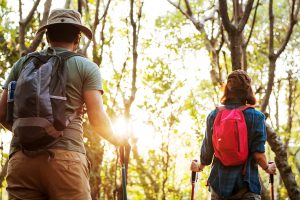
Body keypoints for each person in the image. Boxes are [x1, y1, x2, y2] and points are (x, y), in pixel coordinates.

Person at [0, 9, 126, 200]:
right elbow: (97, 119)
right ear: (77, 38)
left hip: (22, 161)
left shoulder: (23, 64)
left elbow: (1, 113)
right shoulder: (86, 67)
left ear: (48, 36)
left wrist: (32, 132)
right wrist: (119, 141)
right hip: (66, 160)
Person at [190, 70, 277, 200]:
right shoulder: (257, 117)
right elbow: (258, 155)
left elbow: (207, 152)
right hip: (246, 185)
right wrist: (267, 168)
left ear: (227, 89)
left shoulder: (214, 115)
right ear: (248, 90)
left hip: (218, 184)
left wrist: (199, 166)